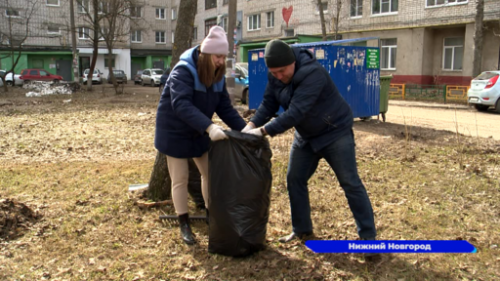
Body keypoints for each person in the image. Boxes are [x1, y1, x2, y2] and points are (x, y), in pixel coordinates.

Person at [243, 39, 377, 245]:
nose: (278, 76)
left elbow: (296, 112)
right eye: (274, 72)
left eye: (282, 71)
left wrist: (263, 132)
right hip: (306, 136)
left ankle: (368, 240)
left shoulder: (313, 73)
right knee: (294, 179)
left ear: (292, 62)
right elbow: (268, 104)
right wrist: (250, 127)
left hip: (335, 132)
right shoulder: (276, 75)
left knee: (350, 183)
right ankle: (302, 230)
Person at [155, 26, 246, 245]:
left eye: (224, 57)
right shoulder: (183, 71)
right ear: (206, 54)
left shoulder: (216, 75)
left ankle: (211, 214)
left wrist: (244, 129)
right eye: (218, 56)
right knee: (180, 179)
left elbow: (224, 106)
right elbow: (181, 105)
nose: (221, 61)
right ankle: (183, 222)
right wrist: (210, 127)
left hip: (199, 130)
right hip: (174, 131)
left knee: (209, 174)